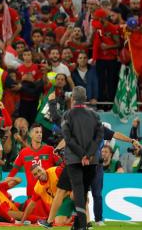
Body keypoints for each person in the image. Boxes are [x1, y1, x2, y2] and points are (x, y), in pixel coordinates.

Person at [61, 86, 104, 230]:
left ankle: (82, 225)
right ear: (85, 99)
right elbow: (99, 137)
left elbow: (68, 138)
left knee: (78, 190)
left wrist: (82, 154)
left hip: (74, 159)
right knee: (84, 191)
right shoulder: (95, 115)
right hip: (92, 161)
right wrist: (89, 154)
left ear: (72, 98)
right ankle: (78, 225)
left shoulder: (67, 115)